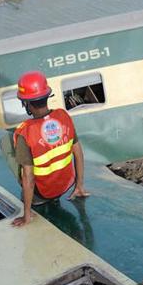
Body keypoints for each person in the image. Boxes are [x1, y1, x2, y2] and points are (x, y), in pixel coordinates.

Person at [11, 71, 89, 227]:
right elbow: (78, 152)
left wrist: (26, 215)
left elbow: (28, 176)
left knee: (8, 143)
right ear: (47, 96)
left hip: (41, 194)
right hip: (65, 186)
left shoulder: (24, 133)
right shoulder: (63, 116)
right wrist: (79, 185)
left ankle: (33, 203)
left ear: (27, 103)